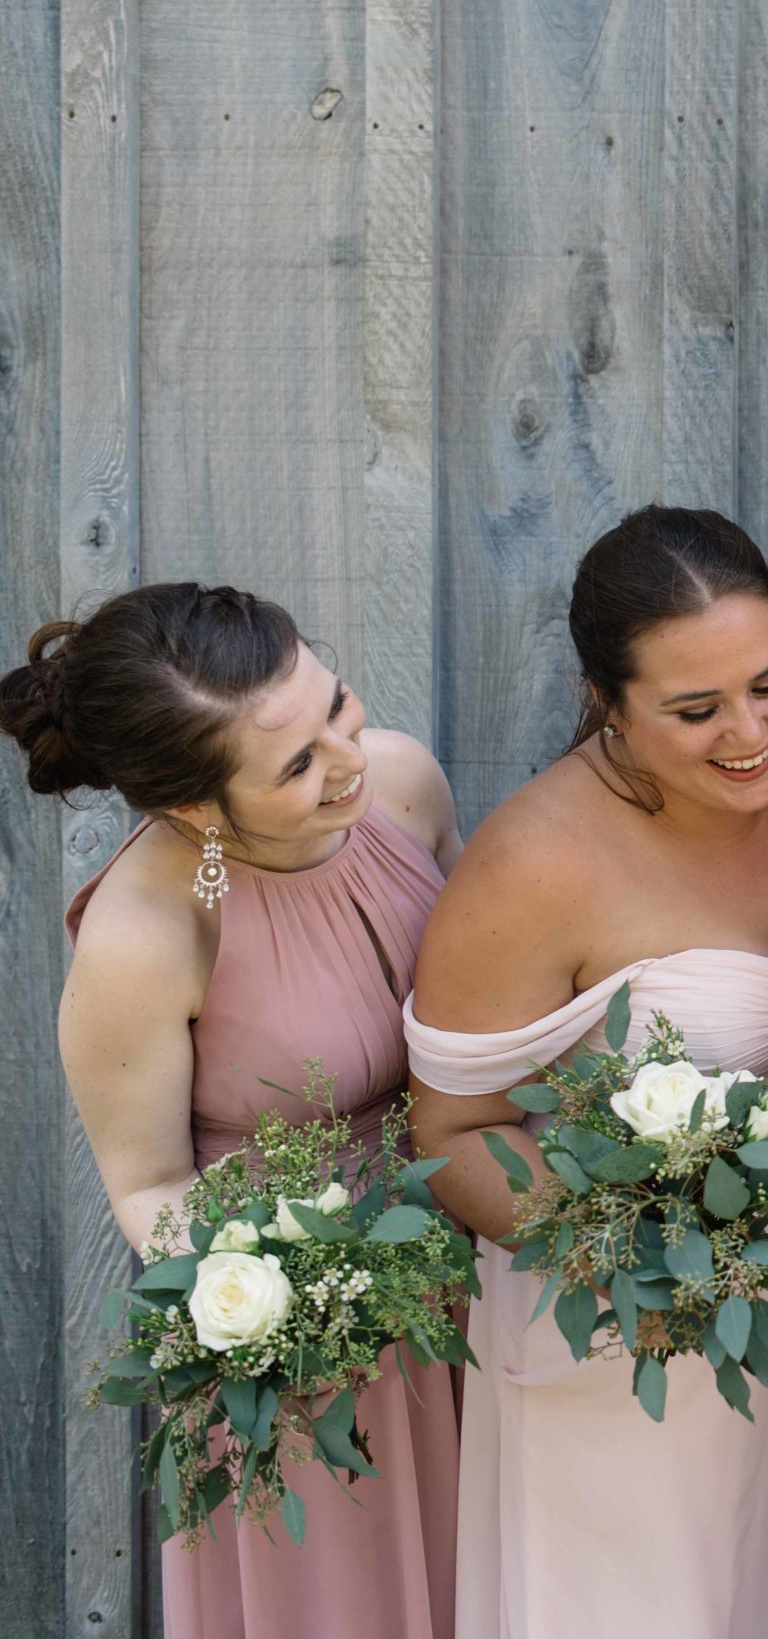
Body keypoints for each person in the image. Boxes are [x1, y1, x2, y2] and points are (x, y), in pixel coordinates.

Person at [405, 508, 768, 1639]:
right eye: (694, 709)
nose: (750, 731)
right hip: (628, 1338)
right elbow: (449, 1131)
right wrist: (650, 1259)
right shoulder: (534, 863)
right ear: (607, 702)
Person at [7, 582, 463, 1639]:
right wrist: (288, 1307)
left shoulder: (400, 783)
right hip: (306, 1328)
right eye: (298, 764)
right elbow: (149, 1185)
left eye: (335, 704)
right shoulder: (147, 932)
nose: (348, 756)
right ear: (199, 810)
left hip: (468, 1250)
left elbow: (481, 1003)